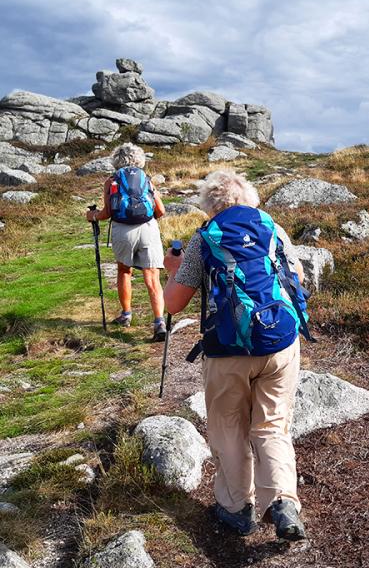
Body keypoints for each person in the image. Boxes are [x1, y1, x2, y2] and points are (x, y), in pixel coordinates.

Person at [163, 169, 307, 540]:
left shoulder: (204, 238)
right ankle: (283, 501)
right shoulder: (272, 227)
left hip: (227, 350)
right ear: (250, 198)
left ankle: (236, 509)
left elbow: (174, 304)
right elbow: (298, 278)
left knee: (229, 428)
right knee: (273, 425)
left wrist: (173, 271)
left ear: (209, 205)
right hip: (280, 341)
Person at [85, 142, 167, 341]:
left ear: (116, 160)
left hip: (123, 231)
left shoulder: (112, 181)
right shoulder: (146, 179)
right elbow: (161, 211)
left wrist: (92, 216)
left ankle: (126, 315)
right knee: (152, 276)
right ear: (139, 159)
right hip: (148, 228)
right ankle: (159, 322)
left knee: (124, 271)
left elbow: (106, 213)